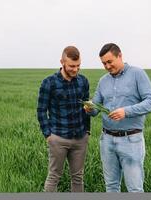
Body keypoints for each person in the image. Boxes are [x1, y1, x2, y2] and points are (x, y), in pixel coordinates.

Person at [85, 43, 151, 192]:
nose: (106, 66)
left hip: (131, 140)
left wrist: (126, 111)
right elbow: (95, 108)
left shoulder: (138, 74)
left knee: (135, 189)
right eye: (104, 63)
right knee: (111, 186)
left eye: (109, 62)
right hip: (107, 141)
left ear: (120, 56)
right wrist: (89, 108)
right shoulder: (103, 81)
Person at [37, 46, 90, 192]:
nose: (75, 69)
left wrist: (88, 131)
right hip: (58, 138)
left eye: (78, 65)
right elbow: (41, 110)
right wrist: (48, 135)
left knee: (78, 177)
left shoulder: (83, 81)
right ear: (62, 62)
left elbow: (87, 108)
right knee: (54, 176)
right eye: (72, 66)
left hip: (80, 138)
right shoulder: (49, 83)